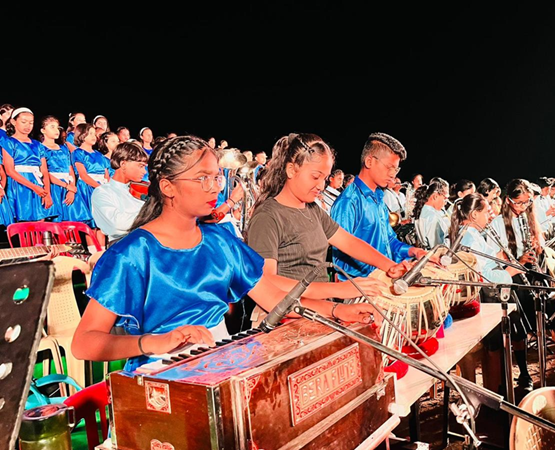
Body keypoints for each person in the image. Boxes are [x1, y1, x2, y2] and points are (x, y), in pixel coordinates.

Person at [71, 135, 378, 373]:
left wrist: (335, 311)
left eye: (217, 177)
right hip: (160, 374)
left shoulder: (220, 242)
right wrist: (155, 342)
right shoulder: (131, 253)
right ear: (168, 187)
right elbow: (84, 343)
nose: (215, 188)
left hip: (219, 362)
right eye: (202, 178)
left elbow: (276, 300)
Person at [247, 132, 408, 287]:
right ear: (291, 170)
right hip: (296, 306)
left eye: (324, 178)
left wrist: (390, 266)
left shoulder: (313, 210)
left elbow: (349, 243)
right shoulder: (267, 216)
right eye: (315, 177)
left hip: (320, 302)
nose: (321, 186)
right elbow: (267, 284)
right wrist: (340, 290)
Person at [489, 178, 555, 391]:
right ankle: (524, 374)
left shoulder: (530, 217)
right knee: (519, 331)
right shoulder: (498, 223)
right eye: (518, 203)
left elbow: (540, 246)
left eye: (527, 202)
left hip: (535, 275)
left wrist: (537, 247)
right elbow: (496, 259)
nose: (523, 207)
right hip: (514, 278)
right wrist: (518, 260)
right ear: (507, 200)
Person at [449, 193, 526, 393]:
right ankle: (496, 391)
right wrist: (510, 272)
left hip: (489, 295)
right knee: (494, 347)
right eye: (486, 212)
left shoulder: (473, 234)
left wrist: (501, 257)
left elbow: (486, 262)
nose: (490, 217)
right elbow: (482, 277)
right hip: (485, 298)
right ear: (474, 214)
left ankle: (500, 388)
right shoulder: (469, 237)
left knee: (499, 344)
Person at [331, 132, 427, 280]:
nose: (393, 175)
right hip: (362, 287)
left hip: (384, 279)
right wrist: (387, 267)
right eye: (389, 167)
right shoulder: (348, 201)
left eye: (396, 169)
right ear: (369, 161)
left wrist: (414, 251)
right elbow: (341, 258)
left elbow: (389, 241)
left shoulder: (379, 199)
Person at [2, 107, 54, 221]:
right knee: (22, 222)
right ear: (13, 122)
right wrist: (33, 187)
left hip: (38, 185)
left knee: (40, 221)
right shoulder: (8, 142)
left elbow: (44, 171)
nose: (28, 126)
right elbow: (9, 170)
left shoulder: (38, 145)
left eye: (31, 123)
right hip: (19, 186)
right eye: (24, 122)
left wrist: (47, 193)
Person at [91, 142, 148, 244]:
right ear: (123, 164)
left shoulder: (144, 189)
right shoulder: (102, 192)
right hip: (123, 244)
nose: (144, 172)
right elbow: (116, 225)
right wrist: (151, 214)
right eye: (141, 166)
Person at [72, 123, 111, 230]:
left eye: (94, 134)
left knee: (101, 225)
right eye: (90, 134)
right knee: (91, 223)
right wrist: (99, 187)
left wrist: (106, 187)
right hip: (87, 189)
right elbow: (83, 175)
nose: (94, 136)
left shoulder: (99, 154)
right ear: (81, 135)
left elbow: (106, 173)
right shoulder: (78, 153)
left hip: (101, 187)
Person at [39, 115, 78, 222]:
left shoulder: (64, 148)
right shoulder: (41, 148)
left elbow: (70, 169)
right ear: (43, 130)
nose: (56, 130)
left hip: (68, 188)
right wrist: (66, 185)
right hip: (54, 188)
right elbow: (45, 173)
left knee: (69, 220)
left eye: (57, 127)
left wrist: (71, 188)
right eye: (52, 127)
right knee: (54, 220)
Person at [413, 182, 450, 250]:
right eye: (445, 198)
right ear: (435, 196)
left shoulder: (424, 210)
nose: (446, 202)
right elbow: (438, 247)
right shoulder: (432, 217)